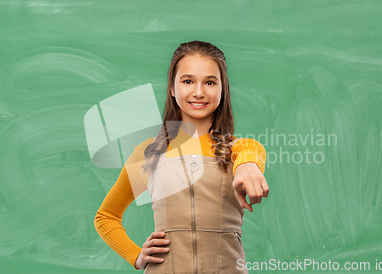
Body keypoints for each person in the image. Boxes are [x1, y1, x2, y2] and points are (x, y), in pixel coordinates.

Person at [94, 40, 269, 273]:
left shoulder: (237, 150)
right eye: (188, 81)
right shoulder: (148, 154)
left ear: (222, 89)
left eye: (210, 82)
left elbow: (250, 151)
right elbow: (106, 216)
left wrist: (247, 166)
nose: (199, 91)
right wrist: (136, 256)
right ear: (172, 88)